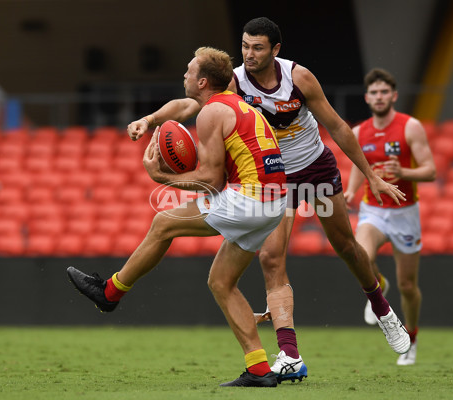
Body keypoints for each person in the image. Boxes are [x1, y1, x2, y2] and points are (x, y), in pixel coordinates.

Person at [127, 17, 410, 382]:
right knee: (272, 258)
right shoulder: (234, 81)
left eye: (257, 47)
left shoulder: (299, 78)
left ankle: (382, 309)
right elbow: (188, 106)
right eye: (245, 46)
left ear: (275, 49)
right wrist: (149, 119)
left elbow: (338, 126)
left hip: (314, 168)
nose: (249, 54)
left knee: (346, 246)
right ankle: (290, 355)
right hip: (274, 177)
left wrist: (370, 174)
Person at [68, 46, 290, 387]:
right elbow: (180, 109)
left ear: (202, 81)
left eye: (188, 72)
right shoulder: (232, 102)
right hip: (275, 202)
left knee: (163, 222)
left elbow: (211, 180)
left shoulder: (210, 114)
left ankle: (110, 292)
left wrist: (161, 178)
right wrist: (151, 120)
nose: (183, 76)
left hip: (251, 198)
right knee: (221, 281)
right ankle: (260, 369)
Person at [343, 68, 437, 366]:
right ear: (367, 97)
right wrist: (350, 192)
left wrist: (404, 172)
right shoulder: (359, 132)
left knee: (408, 286)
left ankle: (411, 338)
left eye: (385, 92)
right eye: (374, 92)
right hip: (374, 211)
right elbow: (360, 165)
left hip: (405, 213)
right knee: (360, 255)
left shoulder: (410, 127)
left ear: (393, 96)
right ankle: (378, 285)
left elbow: (431, 171)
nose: (379, 97)